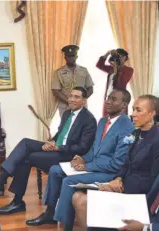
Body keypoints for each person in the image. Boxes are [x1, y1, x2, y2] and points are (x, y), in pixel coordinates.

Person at [0, 87, 97, 214]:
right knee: (25, 143)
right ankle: (1, 184)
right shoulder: (66, 113)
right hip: (56, 148)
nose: (71, 99)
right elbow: (60, 134)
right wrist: (51, 142)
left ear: (84, 100)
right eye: (70, 96)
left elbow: (83, 148)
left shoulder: (89, 120)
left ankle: (11, 195)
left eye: (76, 97)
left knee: (26, 158)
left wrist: (58, 147)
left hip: (67, 155)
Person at [26, 89, 134, 229]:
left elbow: (117, 163)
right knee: (55, 170)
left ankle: (66, 225)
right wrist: (82, 158)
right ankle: (50, 212)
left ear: (124, 105)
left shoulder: (127, 127)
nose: (108, 101)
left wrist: (87, 167)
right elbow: (94, 150)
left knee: (68, 181)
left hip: (109, 172)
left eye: (114, 99)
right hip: (93, 165)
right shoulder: (102, 121)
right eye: (108, 97)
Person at [72, 95, 159, 231]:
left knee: (83, 202)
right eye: (133, 110)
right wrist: (118, 178)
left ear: (152, 114)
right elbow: (125, 163)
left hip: (138, 196)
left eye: (138, 110)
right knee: (77, 196)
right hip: (124, 185)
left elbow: (155, 181)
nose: (133, 114)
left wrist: (121, 187)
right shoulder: (136, 133)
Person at [52, 45, 94, 117]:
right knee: (67, 127)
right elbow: (56, 91)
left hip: (81, 107)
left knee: (82, 126)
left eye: (73, 56)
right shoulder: (59, 72)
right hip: (66, 107)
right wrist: (70, 101)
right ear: (65, 58)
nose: (72, 58)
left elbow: (90, 88)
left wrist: (81, 100)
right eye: (69, 56)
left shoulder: (84, 70)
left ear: (76, 56)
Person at [97, 48, 134, 116]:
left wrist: (115, 69)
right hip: (108, 96)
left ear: (124, 57)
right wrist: (108, 53)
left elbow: (121, 83)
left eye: (119, 56)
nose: (117, 58)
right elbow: (99, 65)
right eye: (116, 56)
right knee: (106, 119)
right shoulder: (111, 68)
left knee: (118, 119)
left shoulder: (129, 70)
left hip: (120, 99)